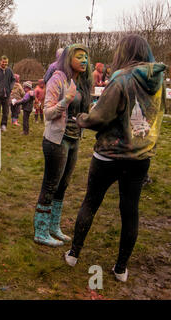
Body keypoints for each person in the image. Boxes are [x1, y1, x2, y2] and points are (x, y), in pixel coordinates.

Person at [65, 35, 166, 283]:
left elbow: (100, 117)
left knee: (91, 202)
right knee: (130, 210)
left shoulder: (122, 78)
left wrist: (81, 119)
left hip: (110, 155)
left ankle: (73, 254)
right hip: (141, 156)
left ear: (125, 52)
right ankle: (121, 269)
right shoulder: (159, 80)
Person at [33, 44, 92, 247]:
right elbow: (48, 113)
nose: (84, 60)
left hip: (74, 140)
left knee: (63, 185)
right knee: (51, 184)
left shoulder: (81, 81)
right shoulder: (58, 78)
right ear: (69, 59)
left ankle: (53, 227)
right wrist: (66, 100)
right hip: (57, 140)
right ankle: (41, 231)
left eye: (86, 57)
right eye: (79, 56)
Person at [0, 55, 15, 131]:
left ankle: (3, 125)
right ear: (0, 61)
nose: (4, 63)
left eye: (6, 62)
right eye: (3, 62)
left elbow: (13, 80)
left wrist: (10, 88)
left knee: (6, 112)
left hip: (7, 95)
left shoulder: (9, 71)